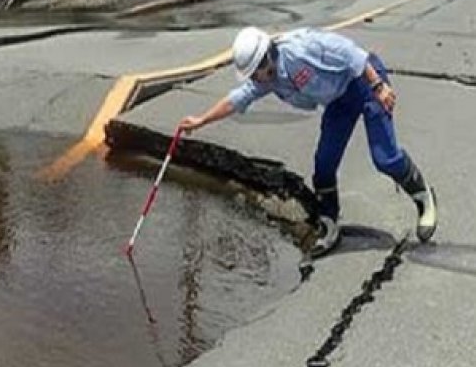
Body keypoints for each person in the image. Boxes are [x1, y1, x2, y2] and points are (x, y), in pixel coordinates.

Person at [179, 26, 437, 257]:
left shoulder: (301, 49)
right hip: (338, 101)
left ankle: (423, 195)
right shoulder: (268, 78)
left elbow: (351, 54)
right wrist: (201, 120)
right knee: (324, 165)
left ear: (266, 58)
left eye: (255, 73)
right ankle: (329, 221)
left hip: (363, 82)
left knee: (385, 158)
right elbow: (238, 98)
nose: (254, 80)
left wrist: (378, 85)